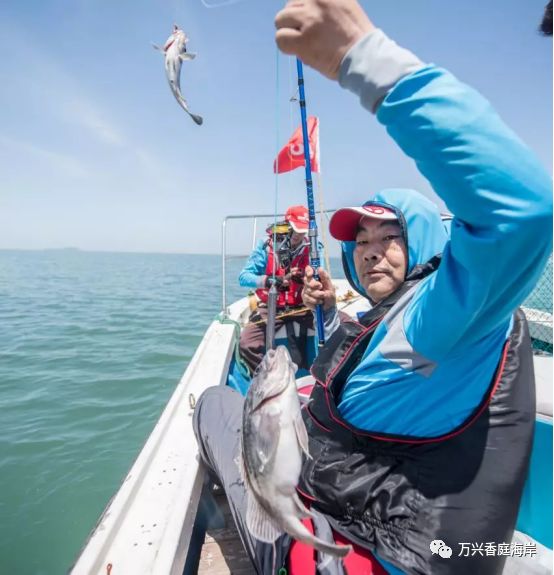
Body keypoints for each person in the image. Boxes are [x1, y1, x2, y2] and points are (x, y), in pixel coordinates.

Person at [194, 2, 552, 574]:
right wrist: (331, 317)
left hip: (370, 554)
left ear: (427, 242)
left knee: (214, 405)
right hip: (397, 531)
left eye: (391, 236)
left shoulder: (443, 315)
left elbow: (521, 213)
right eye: (360, 239)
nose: (370, 248)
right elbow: (374, 381)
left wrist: (361, 55)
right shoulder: (394, 317)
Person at [238, 205, 314, 374]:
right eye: (295, 230)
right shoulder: (266, 246)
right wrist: (269, 281)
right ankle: (266, 378)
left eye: (303, 231)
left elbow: (320, 273)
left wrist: (305, 279)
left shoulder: (314, 247)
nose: (299, 235)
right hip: (271, 306)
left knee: (341, 328)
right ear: (286, 225)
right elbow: (244, 277)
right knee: (246, 343)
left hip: (304, 305)